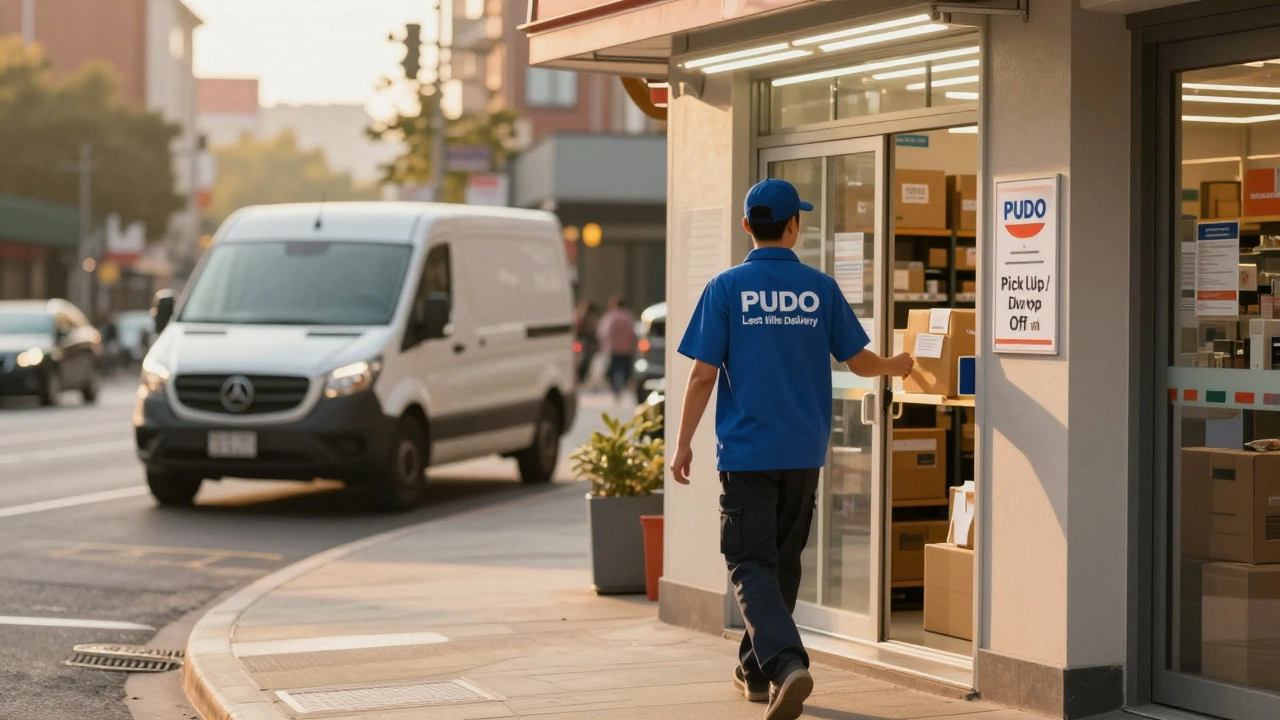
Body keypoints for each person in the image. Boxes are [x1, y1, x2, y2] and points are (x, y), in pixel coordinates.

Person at [670, 179, 914, 720]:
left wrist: (683, 443)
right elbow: (859, 360)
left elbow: (702, 376)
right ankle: (755, 672)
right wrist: (896, 366)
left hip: (747, 454)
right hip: (804, 451)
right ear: (794, 226)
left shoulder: (726, 288)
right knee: (780, 561)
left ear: (745, 227)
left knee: (748, 561)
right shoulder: (820, 288)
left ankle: (785, 664)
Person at [596, 296, 637, 402]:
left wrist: (604, 346)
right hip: (626, 350)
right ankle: (621, 387)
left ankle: (616, 390)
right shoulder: (629, 317)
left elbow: (603, 333)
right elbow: (633, 334)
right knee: (625, 371)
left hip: (613, 349)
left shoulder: (610, 317)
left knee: (612, 371)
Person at [573, 301, 601, 385]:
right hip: (585, 340)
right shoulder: (589, 317)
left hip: (584, 340)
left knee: (583, 359)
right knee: (584, 359)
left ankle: (580, 376)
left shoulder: (581, 315)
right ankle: (580, 376)